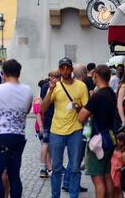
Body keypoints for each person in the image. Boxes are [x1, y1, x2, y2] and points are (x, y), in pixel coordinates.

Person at [0, 59, 33, 198]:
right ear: (19, 73)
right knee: (14, 175)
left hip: (1, 135)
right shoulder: (27, 90)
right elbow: (27, 110)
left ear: (4, 73)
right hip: (18, 136)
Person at [41, 57, 89, 198]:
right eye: (62, 67)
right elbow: (43, 108)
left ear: (72, 69)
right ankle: (55, 196)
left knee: (75, 168)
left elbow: (86, 110)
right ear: (59, 70)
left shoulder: (81, 86)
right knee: (56, 169)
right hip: (56, 131)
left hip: (76, 131)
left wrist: (78, 106)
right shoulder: (55, 86)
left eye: (68, 67)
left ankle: (73, 195)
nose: (65, 70)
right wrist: (50, 91)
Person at [78, 65, 116, 198]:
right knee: (107, 176)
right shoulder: (112, 93)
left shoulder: (98, 96)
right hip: (109, 138)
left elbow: (81, 117)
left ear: (96, 76)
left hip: (97, 141)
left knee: (98, 179)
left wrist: (81, 109)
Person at [39, 71, 60, 178]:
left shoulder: (44, 86)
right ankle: (46, 167)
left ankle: (47, 167)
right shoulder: (52, 87)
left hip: (49, 119)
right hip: (50, 119)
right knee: (47, 144)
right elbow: (41, 106)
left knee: (47, 145)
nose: (54, 79)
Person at [111, 132, 125, 198]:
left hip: (118, 172)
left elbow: (124, 165)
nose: (117, 141)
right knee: (113, 188)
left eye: (119, 140)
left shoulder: (123, 152)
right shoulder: (116, 148)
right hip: (113, 171)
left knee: (118, 189)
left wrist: (118, 168)